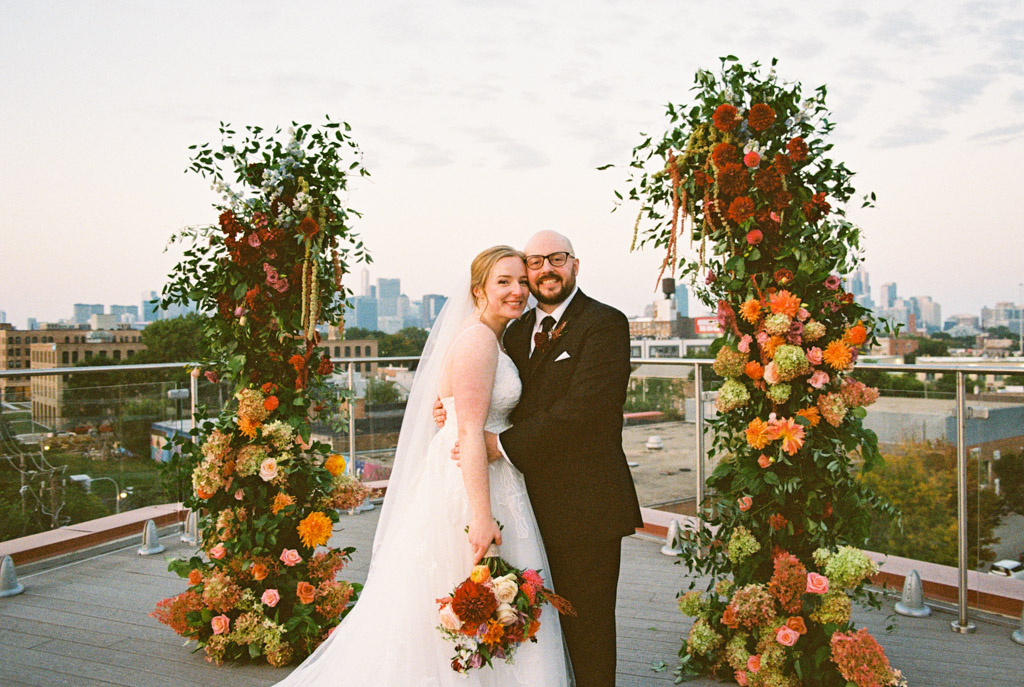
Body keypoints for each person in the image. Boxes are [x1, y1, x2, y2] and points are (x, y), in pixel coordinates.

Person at [275, 246, 573, 686]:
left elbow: (461, 414)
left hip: (488, 475)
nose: (517, 291)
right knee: (469, 597)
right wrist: (481, 514)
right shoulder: (477, 340)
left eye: (521, 282)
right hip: (474, 484)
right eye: (503, 282)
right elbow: (470, 432)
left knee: (490, 605)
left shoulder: (494, 337)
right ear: (479, 291)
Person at [438, 230, 643, 687]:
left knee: (586, 624)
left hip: (584, 504)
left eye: (557, 258)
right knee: (533, 622)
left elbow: (585, 410)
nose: (545, 269)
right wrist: (449, 410)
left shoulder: (605, 323)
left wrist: (501, 446)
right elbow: (489, 392)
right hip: (525, 502)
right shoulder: (512, 331)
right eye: (535, 262)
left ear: (575, 264)